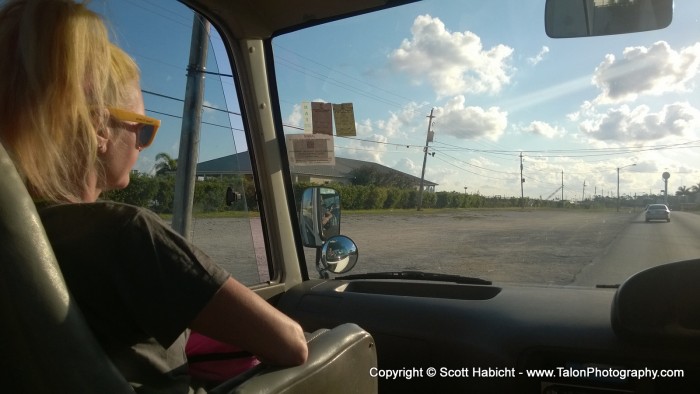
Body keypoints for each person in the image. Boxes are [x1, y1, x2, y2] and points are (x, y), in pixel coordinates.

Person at [0, 0, 307, 392]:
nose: (143, 146)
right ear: (99, 127)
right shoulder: (125, 233)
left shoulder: (26, 242)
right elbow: (291, 345)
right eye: (143, 129)